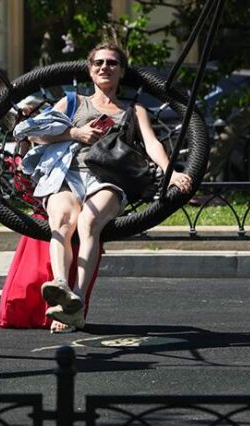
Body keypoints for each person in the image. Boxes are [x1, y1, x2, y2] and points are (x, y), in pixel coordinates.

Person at [30, 43, 194, 333]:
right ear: (90, 70)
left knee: (89, 221)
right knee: (62, 220)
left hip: (108, 178)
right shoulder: (72, 102)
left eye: (112, 63)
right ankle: (61, 286)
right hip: (68, 175)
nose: (105, 67)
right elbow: (38, 135)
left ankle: (76, 304)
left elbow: (152, 143)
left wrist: (170, 173)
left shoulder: (133, 108)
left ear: (121, 71)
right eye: (99, 63)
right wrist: (75, 132)